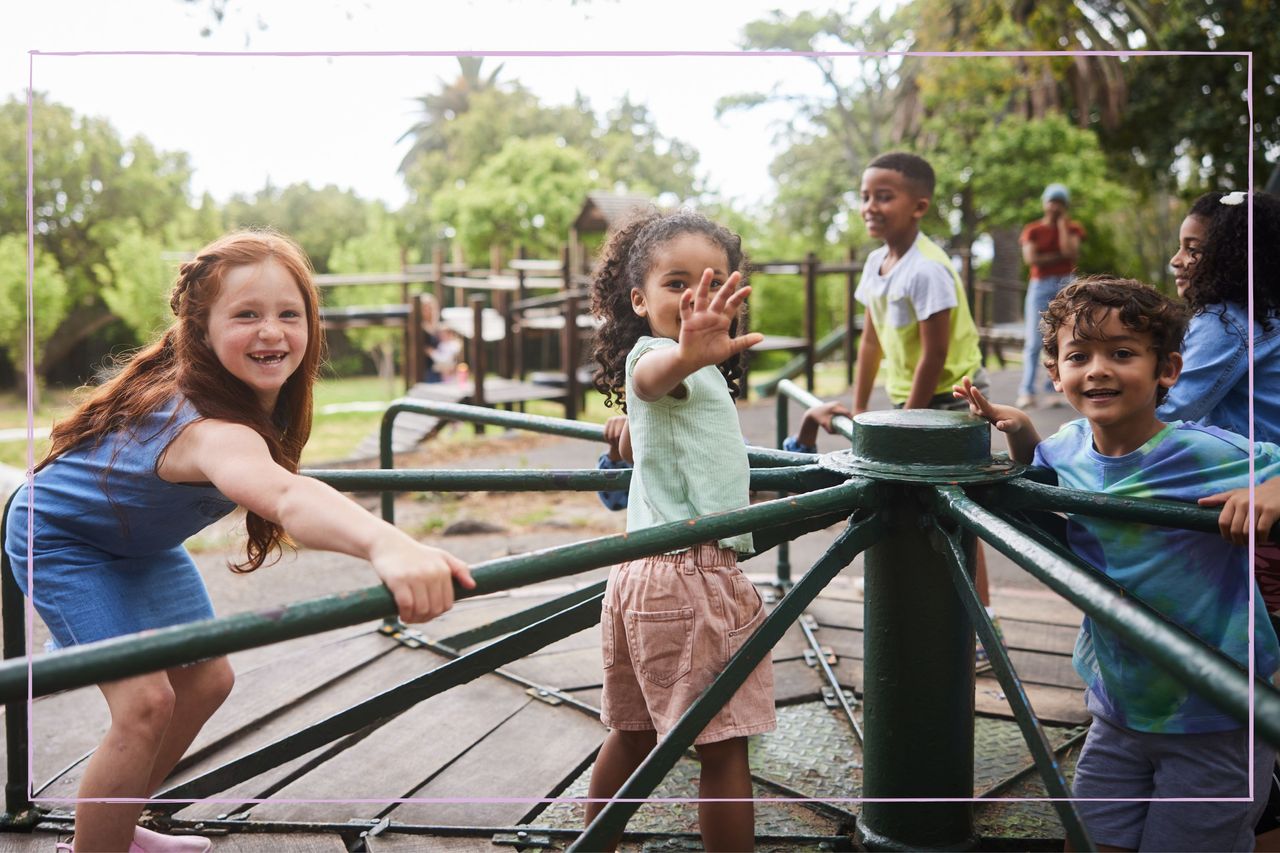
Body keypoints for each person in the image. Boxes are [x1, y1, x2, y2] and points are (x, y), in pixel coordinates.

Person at [4, 230, 474, 853]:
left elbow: (286, 486)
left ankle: (116, 826)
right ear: (200, 331)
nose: (271, 332)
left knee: (206, 683)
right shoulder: (207, 427)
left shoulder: (251, 405)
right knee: (144, 704)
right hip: (59, 539)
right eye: (246, 315)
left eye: (289, 314)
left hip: (142, 543)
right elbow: (286, 497)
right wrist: (387, 544)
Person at [955, 276, 1280, 852]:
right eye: (1079, 356)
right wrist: (1020, 430)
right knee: (1091, 841)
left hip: (1216, 711)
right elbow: (1044, 473)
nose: (1098, 369)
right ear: (1055, 373)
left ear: (1168, 370)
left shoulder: (1207, 454)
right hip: (1118, 704)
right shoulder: (1069, 445)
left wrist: (1275, 490)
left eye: (1122, 353)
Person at [584, 209, 772, 852]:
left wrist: (636, 423)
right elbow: (649, 376)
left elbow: (656, 414)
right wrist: (688, 356)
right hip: (690, 577)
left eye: (711, 282)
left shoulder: (688, 370)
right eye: (676, 283)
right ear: (638, 300)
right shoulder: (663, 356)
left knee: (633, 734)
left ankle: (595, 844)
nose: (694, 296)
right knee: (722, 749)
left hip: (642, 576)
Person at [849, 151, 1000, 658]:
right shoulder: (877, 263)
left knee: (956, 510)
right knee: (908, 502)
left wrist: (905, 422)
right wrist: (858, 410)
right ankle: (919, 608)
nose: (871, 206)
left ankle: (981, 626)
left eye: (884, 197)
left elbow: (935, 354)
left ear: (919, 206)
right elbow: (869, 342)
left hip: (950, 400)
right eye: (866, 196)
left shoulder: (928, 269)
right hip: (907, 400)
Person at [1016, 182, 1085, 408]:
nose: (1055, 206)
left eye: (1060, 202)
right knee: (1034, 340)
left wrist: (1062, 225)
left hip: (1066, 283)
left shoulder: (1072, 228)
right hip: (1040, 284)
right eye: (1052, 201)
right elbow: (1032, 260)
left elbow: (1070, 252)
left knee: (1063, 336)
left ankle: (1053, 390)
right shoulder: (1033, 229)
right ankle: (1027, 390)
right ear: (1045, 204)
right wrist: (1058, 257)